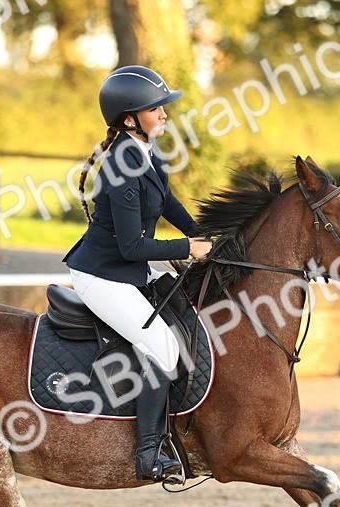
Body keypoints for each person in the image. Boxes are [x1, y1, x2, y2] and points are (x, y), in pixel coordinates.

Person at [64, 65, 213, 484]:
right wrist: (187, 249)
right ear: (130, 118)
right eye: (156, 108)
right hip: (104, 276)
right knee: (164, 349)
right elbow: (132, 246)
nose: (165, 114)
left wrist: (200, 234)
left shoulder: (144, 151)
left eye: (164, 107)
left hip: (128, 269)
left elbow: (166, 201)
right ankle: (148, 455)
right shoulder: (122, 166)